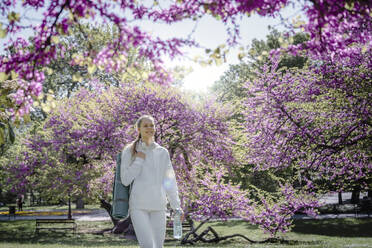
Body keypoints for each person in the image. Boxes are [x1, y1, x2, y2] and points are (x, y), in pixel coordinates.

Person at [120, 115, 183, 248]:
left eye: (152, 125)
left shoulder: (162, 152)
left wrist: (176, 206)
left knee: (158, 246)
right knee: (147, 245)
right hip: (138, 207)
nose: (149, 128)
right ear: (138, 129)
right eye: (145, 125)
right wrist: (139, 160)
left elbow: (169, 181)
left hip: (159, 206)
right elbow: (125, 180)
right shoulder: (129, 151)